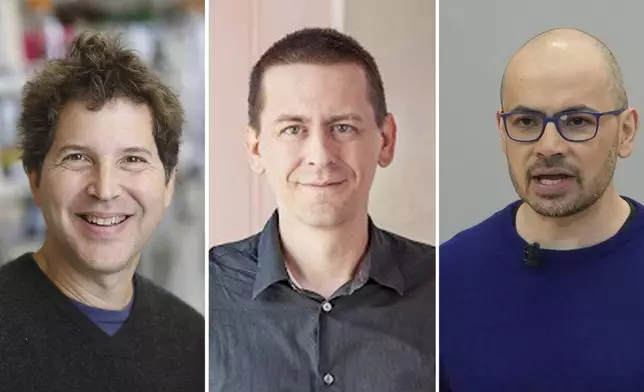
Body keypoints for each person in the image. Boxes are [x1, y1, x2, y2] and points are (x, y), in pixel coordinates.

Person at [209, 27, 435, 391]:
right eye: (293, 129)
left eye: (343, 127)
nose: (320, 156)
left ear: (386, 141)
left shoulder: (446, 293)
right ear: (255, 149)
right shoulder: (205, 299)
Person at [440, 28, 643, 391]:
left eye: (577, 121)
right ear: (503, 133)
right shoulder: (445, 279)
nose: (549, 146)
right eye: (527, 122)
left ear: (626, 132)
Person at [0, 31, 204, 391]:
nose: (106, 189)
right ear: (34, 178)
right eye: (77, 157)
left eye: (132, 159)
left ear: (169, 183)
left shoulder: (195, 345)